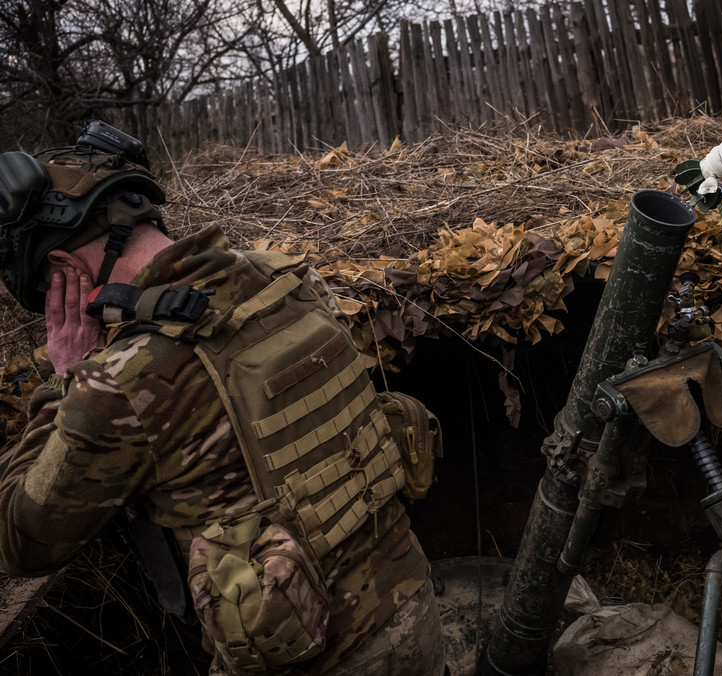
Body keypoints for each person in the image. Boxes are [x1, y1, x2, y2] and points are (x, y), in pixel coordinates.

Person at [0, 122, 445, 676]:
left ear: (66, 270)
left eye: (48, 294)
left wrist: (69, 375)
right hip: (416, 619)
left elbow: (22, 542)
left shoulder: (120, 381)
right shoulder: (286, 279)